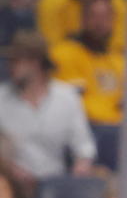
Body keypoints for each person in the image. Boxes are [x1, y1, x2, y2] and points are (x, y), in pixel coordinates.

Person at [0, 32, 96, 181]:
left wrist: (80, 169)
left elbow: (84, 148)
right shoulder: (1, 98)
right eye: (10, 60)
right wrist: (10, 170)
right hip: (10, 185)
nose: (10, 66)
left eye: (16, 61)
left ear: (36, 63)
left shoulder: (67, 98)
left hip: (54, 183)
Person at [52, 0, 127, 126]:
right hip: (83, 129)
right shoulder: (64, 53)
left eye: (106, 17)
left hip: (117, 130)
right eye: (94, 16)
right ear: (83, 20)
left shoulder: (119, 61)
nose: (100, 23)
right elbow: (72, 105)